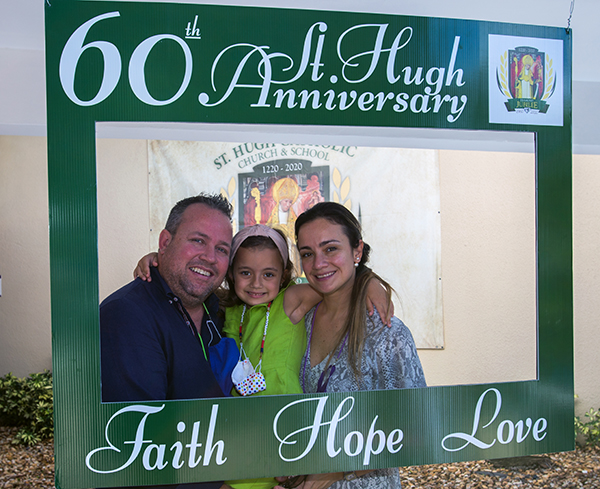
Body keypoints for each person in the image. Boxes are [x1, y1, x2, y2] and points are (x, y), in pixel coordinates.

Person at [134, 224, 394, 489]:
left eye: (268, 274)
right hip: (240, 433)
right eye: (245, 272)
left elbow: (339, 285)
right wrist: (156, 261)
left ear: (282, 276)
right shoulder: (229, 309)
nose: (256, 283)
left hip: (287, 428)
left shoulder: (291, 300)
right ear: (231, 274)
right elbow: (189, 281)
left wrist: (370, 281)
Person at [277, 202, 426, 489]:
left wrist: (335, 472)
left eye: (330, 248)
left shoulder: (387, 333)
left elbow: (415, 430)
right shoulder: (300, 320)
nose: (318, 263)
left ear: (357, 250)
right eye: (307, 254)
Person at [100, 193, 235, 489]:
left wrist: (363, 280)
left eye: (222, 249)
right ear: (164, 242)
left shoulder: (220, 310)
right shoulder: (127, 315)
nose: (210, 257)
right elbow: (141, 449)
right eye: (197, 241)